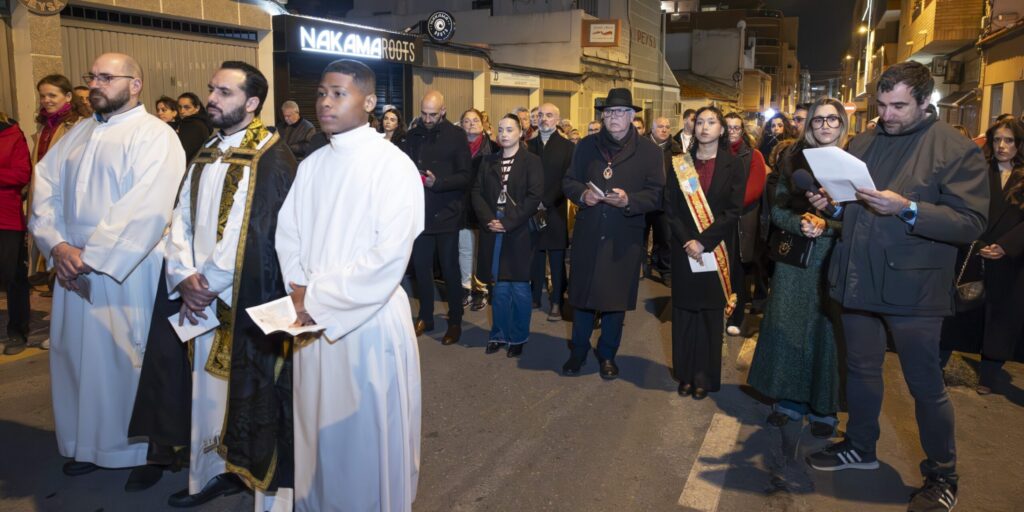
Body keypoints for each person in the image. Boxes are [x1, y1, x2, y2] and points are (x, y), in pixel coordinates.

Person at [804, 61, 989, 512]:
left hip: (915, 291)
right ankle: (861, 447)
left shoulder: (954, 149)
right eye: (882, 104)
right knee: (863, 372)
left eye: (899, 106)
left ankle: (943, 475)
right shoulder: (865, 141)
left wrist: (908, 208)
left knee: (924, 385)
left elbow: (971, 222)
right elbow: (855, 207)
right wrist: (832, 204)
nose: (887, 115)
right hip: (858, 279)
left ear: (926, 102)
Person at [129, 62, 298, 508]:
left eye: (224, 91)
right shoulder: (206, 148)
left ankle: (250, 476)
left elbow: (257, 230)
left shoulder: (272, 154)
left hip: (238, 297)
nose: (213, 98)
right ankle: (211, 472)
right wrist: (183, 274)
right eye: (212, 89)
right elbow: (181, 214)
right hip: (199, 297)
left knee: (246, 390)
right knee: (205, 391)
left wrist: (209, 284)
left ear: (253, 102)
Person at [28, 52, 187, 478]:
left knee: (125, 361)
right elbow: (44, 189)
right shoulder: (77, 133)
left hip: (125, 269)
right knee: (77, 358)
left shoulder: (155, 135)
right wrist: (58, 245)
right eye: (91, 76)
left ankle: (142, 453)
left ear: (134, 84)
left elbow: (147, 207)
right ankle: (90, 444)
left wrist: (90, 258)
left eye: (106, 77)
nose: (95, 83)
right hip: (71, 266)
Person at [276, 58, 423, 512]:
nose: (324, 102)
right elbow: (289, 232)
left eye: (338, 93)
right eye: (321, 92)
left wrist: (315, 298)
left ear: (370, 101)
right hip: (311, 319)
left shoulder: (393, 165)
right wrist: (298, 287)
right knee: (315, 426)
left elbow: (388, 257)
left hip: (366, 321)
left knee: (364, 438)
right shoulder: (314, 164)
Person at [747, 98, 849, 438]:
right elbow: (776, 212)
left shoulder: (856, 164)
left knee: (826, 334)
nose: (824, 125)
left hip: (834, 258)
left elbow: (864, 219)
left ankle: (824, 409)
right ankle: (788, 401)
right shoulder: (792, 162)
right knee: (789, 328)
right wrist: (800, 221)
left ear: (842, 125)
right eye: (818, 120)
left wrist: (828, 226)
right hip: (795, 262)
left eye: (832, 119)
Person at [561, 88, 665, 379]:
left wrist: (629, 200)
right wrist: (582, 194)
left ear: (632, 116)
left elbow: (656, 195)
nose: (613, 117)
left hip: (624, 237)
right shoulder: (585, 145)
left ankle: (607, 354)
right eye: (608, 113)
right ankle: (578, 352)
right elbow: (568, 181)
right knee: (581, 298)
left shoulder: (650, 152)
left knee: (614, 301)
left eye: (620, 112)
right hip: (589, 232)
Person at [664, 106, 746, 400]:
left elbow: (733, 211)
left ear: (722, 130)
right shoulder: (680, 163)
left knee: (709, 316)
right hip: (684, 248)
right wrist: (688, 240)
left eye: (712, 122)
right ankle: (684, 374)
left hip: (716, 248)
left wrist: (703, 241)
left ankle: (704, 377)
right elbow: (670, 208)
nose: (704, 127)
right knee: (684, 313)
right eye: (700, 122)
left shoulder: (733, 165)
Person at [940, 118, 1024, 394]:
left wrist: (1006, 246)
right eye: (997, 139)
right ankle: (937, 365)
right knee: (960, 309)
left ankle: (989, 374)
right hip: (974, 250)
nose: (1002, 146)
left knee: (1001, 315)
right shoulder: (978, 170)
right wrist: (978, 242)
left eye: (1009, 140)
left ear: (1018, 143)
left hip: (1010, 257)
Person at [402, 90, 473, 345]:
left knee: (450, 270)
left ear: (443, 111)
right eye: (424, 113)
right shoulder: (412, 135)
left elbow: (466, 176)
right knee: (421, 269)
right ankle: (426, 317)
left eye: (433, 114)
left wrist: (438, 182)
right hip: (420, 215)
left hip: (447, 214)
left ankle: (455, 321)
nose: (428, 118)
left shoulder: (456, 137)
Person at [473, 114, 543, 357]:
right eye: (500, 129)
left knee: (520, 289)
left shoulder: (531, 161)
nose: (503, 134)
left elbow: (534, 197)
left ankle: (518, 337)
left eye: (509, 129)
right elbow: (477, 192)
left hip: (519, 232)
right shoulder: (488, 161)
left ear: (520, 133)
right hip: (493, 230)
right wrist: (488, 219)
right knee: (499, 289)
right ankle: (498, 334)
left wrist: (509, 222)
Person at [27, 75, 83, 302]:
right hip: (43, 197)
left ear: (68, 96)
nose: (46, 100)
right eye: (42, 96)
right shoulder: (44, 126)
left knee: (64, 261)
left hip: (64, 200)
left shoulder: (77, 126)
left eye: (52, 95)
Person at [528, 103, 575, 321]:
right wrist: (533, 202)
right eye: (540, 115)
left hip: (554, 209)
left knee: (556, 259)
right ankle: (535, 296)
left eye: (549, 115)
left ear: (557, 120)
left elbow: (567, 179)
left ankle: (557, 301)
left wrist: (546, 201)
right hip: (531, 210)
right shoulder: (528, 145)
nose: (544, 119)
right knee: (535, 257)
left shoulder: (568, 147)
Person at [724, 112, 768, 335]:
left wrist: (721, 206)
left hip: (740, 223)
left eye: (736, 127)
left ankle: (735, 316)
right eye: (728, 126)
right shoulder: (712, 152)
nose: (732, 131)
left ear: (742, 131)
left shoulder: (754, 156)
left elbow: (753, 191)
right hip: (715, 223)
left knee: (737, 273)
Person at [0, 112, 31, 356]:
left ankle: (18, 330)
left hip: (6, 217)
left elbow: (22, 174)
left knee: (12, 276)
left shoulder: (12, 135)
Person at [460, 108, 497, 311]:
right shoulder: (456, 147)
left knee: (483, 249)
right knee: (464, 248)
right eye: (467, 121)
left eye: (475, 120)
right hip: (462, 203)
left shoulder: (493, 147)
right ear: (462, 124)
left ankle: (481, 288)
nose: (471, 124)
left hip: (485, 203)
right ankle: (465, 286)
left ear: (483, 124)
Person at [646, 116, 682, 285]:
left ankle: (665, 270)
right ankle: (640, 267)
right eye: (660, 126)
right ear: (652, 129)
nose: (664, 129)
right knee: (640, 237)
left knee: (665, 238)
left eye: (667, 127)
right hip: (643, 200)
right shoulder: (640, 146)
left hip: (665, 201)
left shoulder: (677, 149)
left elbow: (685, 177)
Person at [177, 92, 214, 160]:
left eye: (187, 107)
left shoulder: (192, 124)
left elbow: (183, 152)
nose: (182, 111)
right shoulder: (200, 122)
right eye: (179, 107)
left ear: (197, 108)